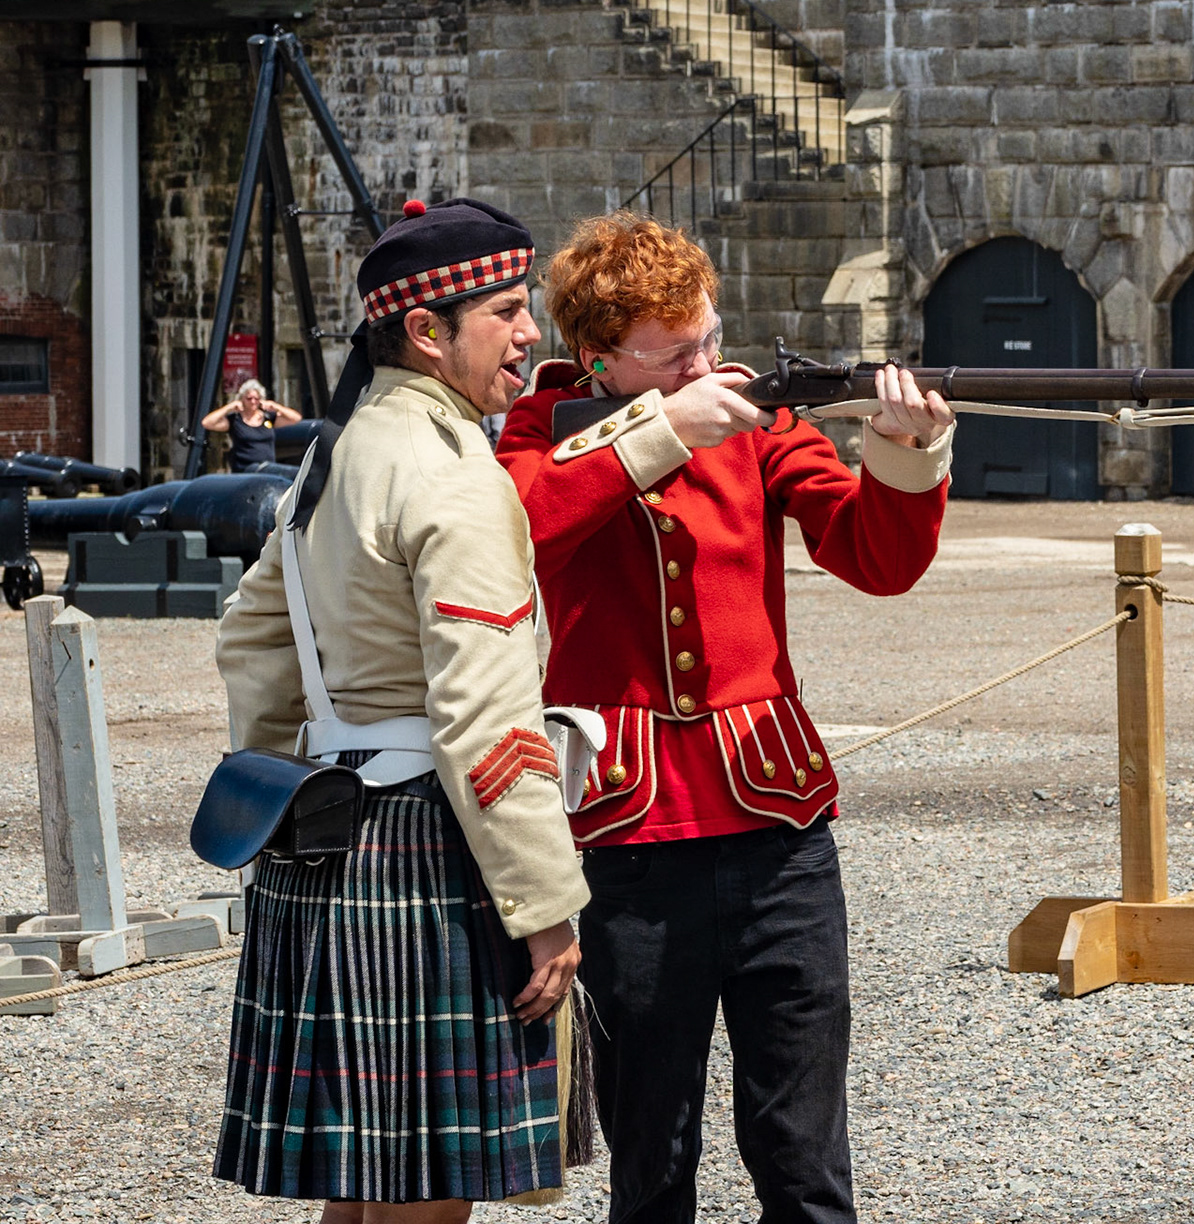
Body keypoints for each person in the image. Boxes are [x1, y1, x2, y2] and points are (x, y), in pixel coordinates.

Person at [496, 212, 954, 1224]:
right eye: (679, 354)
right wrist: (664, 432)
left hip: (776, 822)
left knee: (803, 1161)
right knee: (650, 1164)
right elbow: (521, 539)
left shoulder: (756, 421)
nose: (711, 364)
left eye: (709, 337)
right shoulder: (540, 432)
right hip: (630, 834)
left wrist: (902, 452)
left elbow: (876, 559)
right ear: (599, 361)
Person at [213, 198, 591, 1220]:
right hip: (428, 845)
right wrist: (543, 901)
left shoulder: (335, 453)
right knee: (430, 1192)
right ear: (427, 332)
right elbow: (483, 709)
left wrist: (285, 771)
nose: (529, 338)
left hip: (327, 831)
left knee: (364, 1182)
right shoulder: (451, 473)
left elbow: (252, 641)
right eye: (509, 313)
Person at [201, 378, 302, 475]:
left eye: (256, 399)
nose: (253, 402)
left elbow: (296, 418)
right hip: (246, 469)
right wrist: (229, 408)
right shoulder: (235, 420)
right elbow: (207, 423)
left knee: (296, 473)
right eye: (249, 398)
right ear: (242, 399)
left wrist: (276, 407)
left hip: (268, 468)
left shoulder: (268, 418)